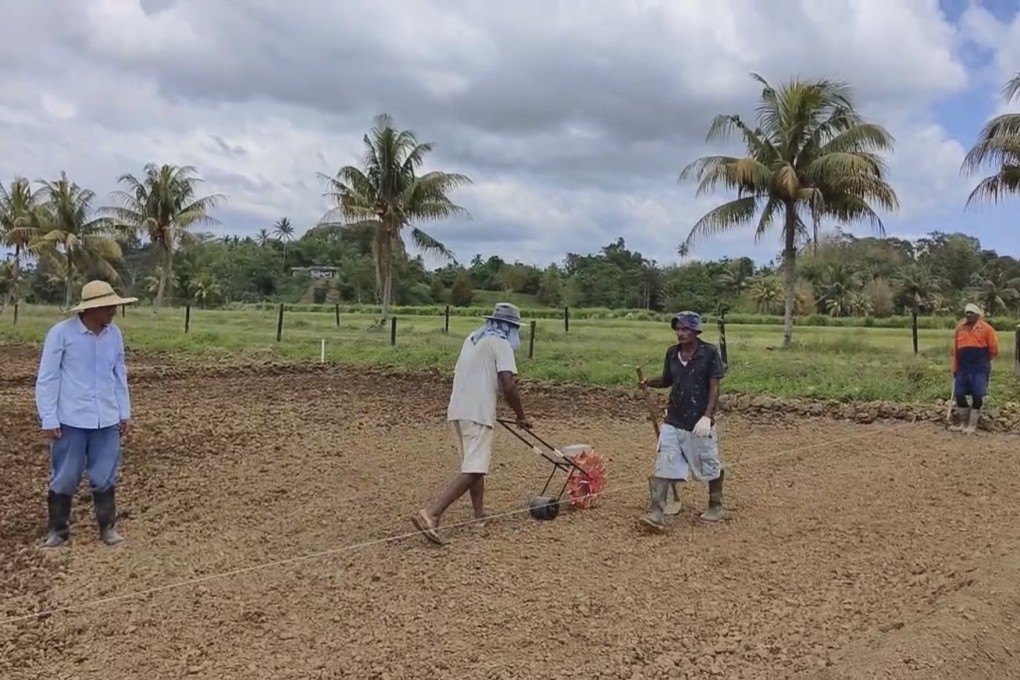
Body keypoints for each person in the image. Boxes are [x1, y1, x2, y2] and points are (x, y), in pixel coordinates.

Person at [411, 302, 530, 545]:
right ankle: (432, 513)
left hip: (458, 409)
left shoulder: (473, 339)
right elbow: (508, 384)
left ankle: (478, 517)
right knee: (475, 468)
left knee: (473, 464)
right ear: (510, 327)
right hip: (477, 412)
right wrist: (521, 415)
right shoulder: (501, 344)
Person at [35, 280, 137, 548]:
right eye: (109, 306)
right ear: (93, 309)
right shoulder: (62, 334)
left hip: (107, 418)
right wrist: (48, 416)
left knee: (105, 475)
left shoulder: (114, 335)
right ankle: (58, 530)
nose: (114, 311)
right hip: (71, 418)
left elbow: (119, 375)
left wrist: (124, 413)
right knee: (66, 475)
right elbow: (48, 377)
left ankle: (108, 528)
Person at [637, 310, 727, 530]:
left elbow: (714, 388)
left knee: (709, 464)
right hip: (674, 418)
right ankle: (656, 513)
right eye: (678, 329)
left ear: (696, 331)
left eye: (685, 329)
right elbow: (668, 379)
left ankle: (716, 506)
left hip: (698, 421)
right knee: (664, 462)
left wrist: (707, 416)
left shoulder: (709, 353)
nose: (680, 333)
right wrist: (649, 383)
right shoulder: (671, 353)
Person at [949, 303, 999, 435]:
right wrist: (955, 367)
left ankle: (972, 425)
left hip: (980, 366)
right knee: (959, 394)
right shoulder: (960, 329)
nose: (968, 315)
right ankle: (963, 423)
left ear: (978, 315)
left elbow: (993, 350)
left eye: (971, 313)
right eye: (966, 313)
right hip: (963, 366)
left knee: (978, 394)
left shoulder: (987, 329)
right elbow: (955, 350)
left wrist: (983, 361)